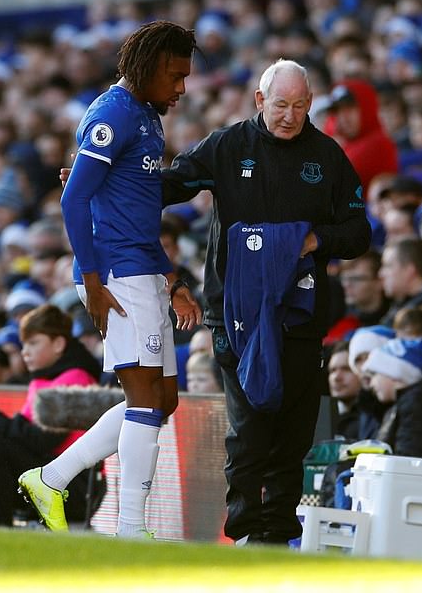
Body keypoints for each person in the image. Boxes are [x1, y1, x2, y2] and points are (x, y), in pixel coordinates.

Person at [161, 59, 371, 545]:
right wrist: (106, 180)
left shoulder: (328, 155)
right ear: (260, 101)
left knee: (292, 435)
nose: (290, 115)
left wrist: (313, 241)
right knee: (249, 430)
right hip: (233, 315)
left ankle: (276, 534)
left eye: (300, 106)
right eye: (281, 105)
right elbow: (170, 185)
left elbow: (359, 231)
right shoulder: (228, 145)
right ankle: (244, 533)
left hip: (299, 315)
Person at [17, 21, 202, 538]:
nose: (181, 87)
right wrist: (94, 281)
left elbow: (134, 211)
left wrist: (173, 277)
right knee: (145, 401)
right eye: (174, 75)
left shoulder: (146, 115)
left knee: (163, 401)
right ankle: (130, 530)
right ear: (146, 67)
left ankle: (51, 478)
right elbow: (74, 199)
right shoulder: (112, 113)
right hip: (116, 275)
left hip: (142, 268)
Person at [0, 304, 101, 527]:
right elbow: (24, 437)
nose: (24, 352)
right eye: (23, 345)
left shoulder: (76, 379)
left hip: (74, 486)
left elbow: (42, 440)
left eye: (33, 343)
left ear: (58, 344)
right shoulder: (44, 379)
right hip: (48, 477)